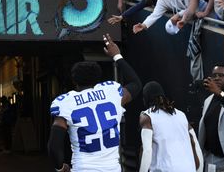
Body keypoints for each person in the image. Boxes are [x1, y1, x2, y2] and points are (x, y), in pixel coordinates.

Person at [48, 34, 142, 172]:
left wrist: (60, 167)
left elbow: (54, 146)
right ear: (98, 78)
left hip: (83, 168)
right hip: (112, 169)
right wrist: (117, 56)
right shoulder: (112, 93)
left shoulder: (65, 103)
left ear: (74, 81)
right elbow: (136, 84)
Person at [139, 81, 202, 172]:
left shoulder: (147, 116)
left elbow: (147, 151)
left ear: (146, 98)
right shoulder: (181, 115)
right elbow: (196, 145)